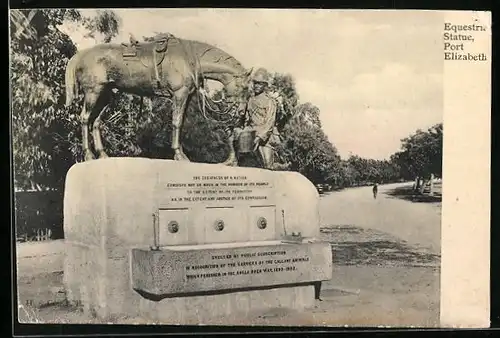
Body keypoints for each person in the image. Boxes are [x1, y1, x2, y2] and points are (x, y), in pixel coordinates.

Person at [231, 67, 289, 170]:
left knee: (267, 166)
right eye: (255, 83)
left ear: (265, 85)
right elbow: (246, 121)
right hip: (251, 135)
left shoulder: (270, 101)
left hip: (265, 138)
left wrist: (260, 137)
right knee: (242, 163)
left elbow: (269, 123)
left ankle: (282, 167)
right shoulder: (250, 100)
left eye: (260, 83)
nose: (257, 86)